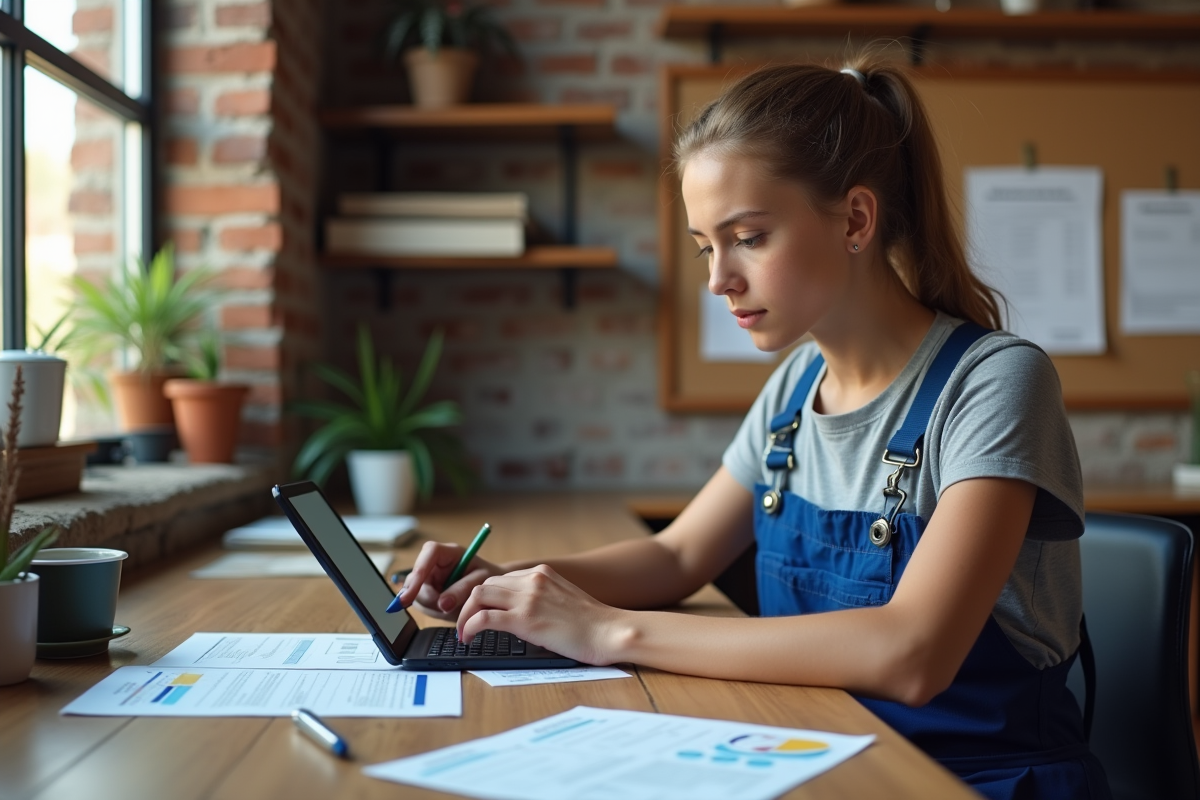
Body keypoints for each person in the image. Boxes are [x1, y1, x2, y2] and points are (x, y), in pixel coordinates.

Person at [396, 57, 1111, 800]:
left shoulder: (993, 382)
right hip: (824, 760)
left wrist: (609, 630)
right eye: (708, 246)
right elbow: (677, 556)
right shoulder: (794, 392)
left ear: (856, 220)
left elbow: (913, 653)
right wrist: (510, 582)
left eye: (749, 237)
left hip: (973, 781)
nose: (718, 280)